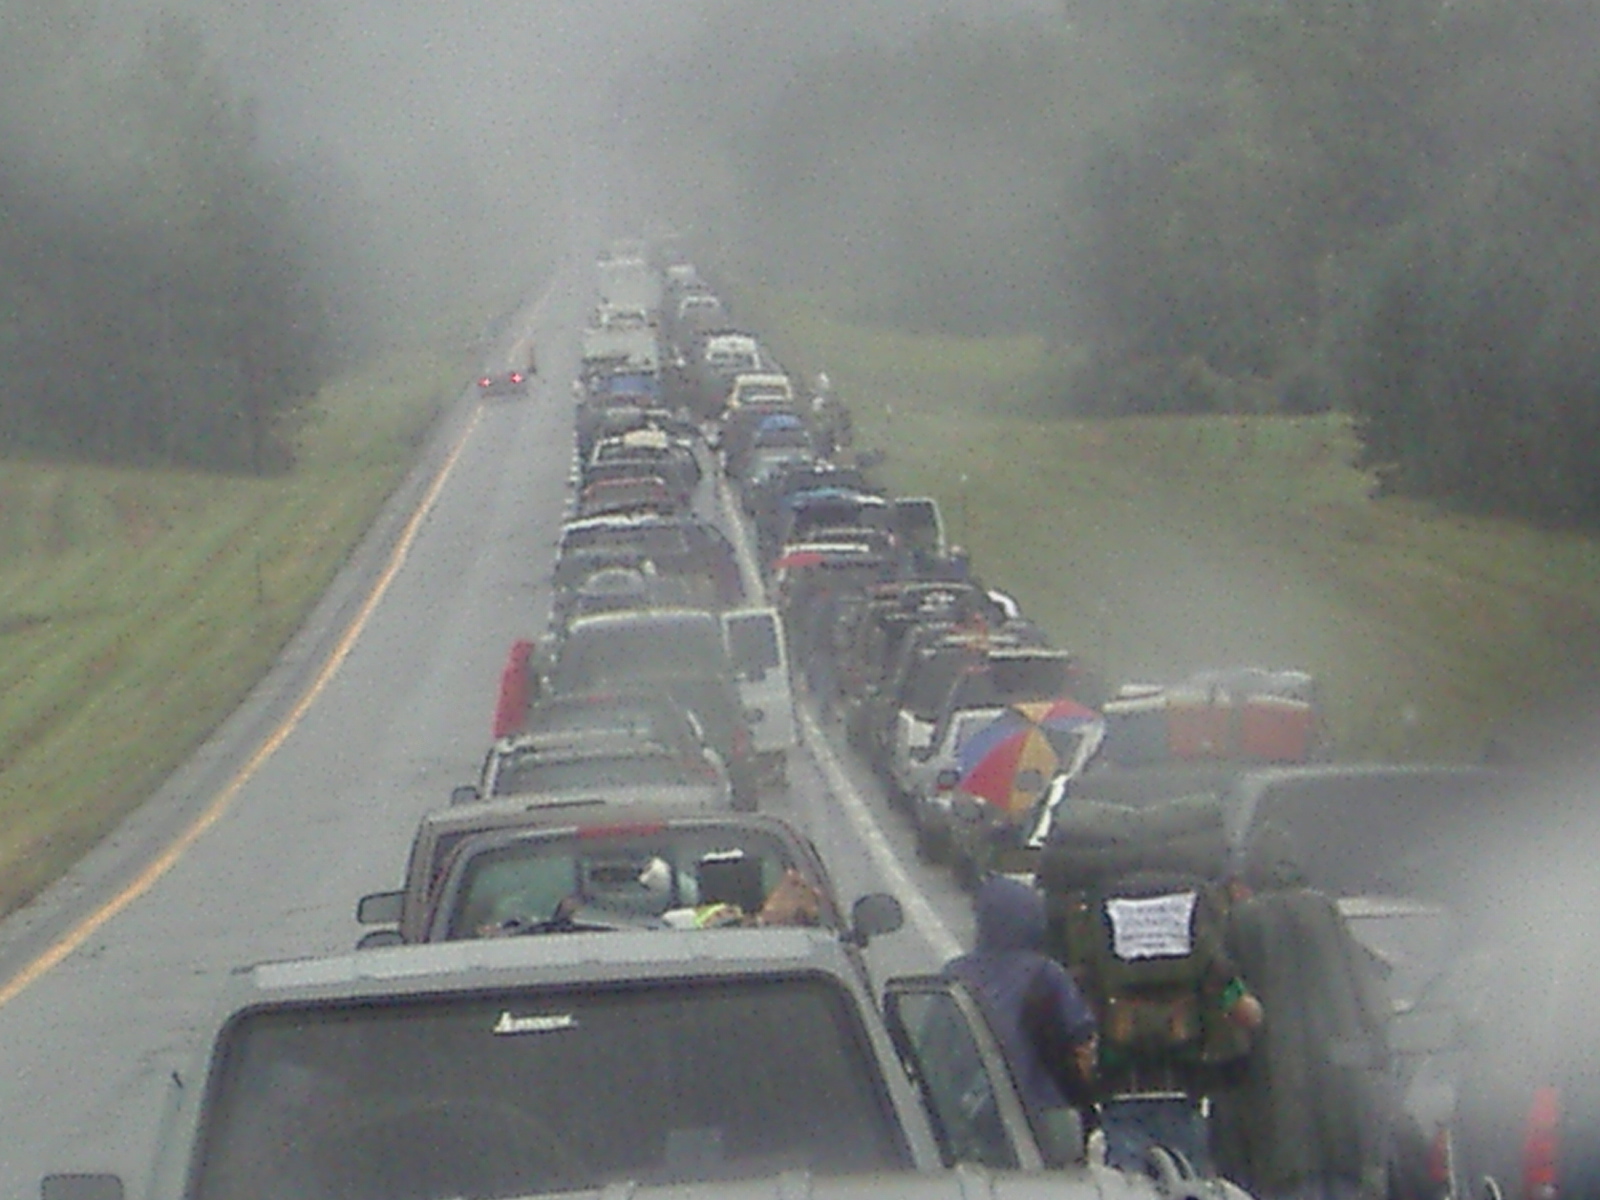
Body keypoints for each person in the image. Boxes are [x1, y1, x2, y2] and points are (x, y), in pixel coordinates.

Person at [944, 875, 1099, 1154]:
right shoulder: (1047, 974)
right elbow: (1081, 1047)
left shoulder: (955, 974)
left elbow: (932, 1045)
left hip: (967, 1114)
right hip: (1042, 1116)